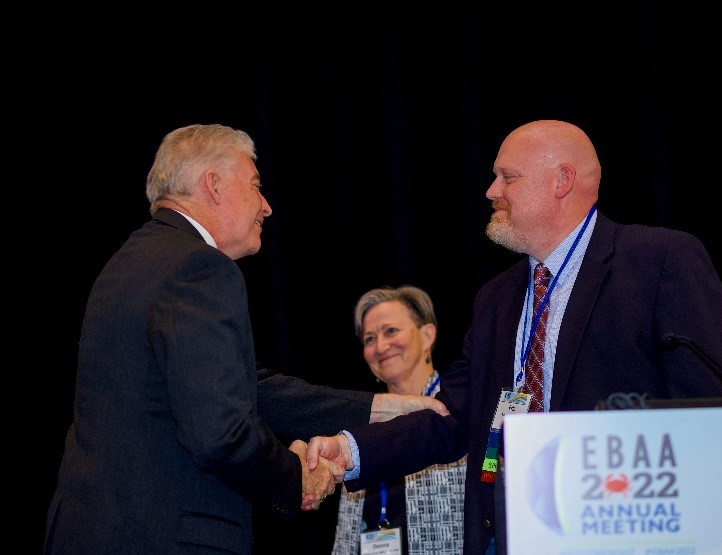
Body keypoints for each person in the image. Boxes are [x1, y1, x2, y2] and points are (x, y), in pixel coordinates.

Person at [306, 119, 722, 555]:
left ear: (562, 181)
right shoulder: (497, 297)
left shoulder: (658, 261)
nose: (491, 191)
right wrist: (349, 449)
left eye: (507, 177)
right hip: (506, 529)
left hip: (618, 526)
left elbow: (712, 407)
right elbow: (454, 412)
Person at [43, 124, 447, 555]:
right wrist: (297, 478)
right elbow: (220, 433)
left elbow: (245, 388)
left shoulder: (130, 262)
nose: (267, 207)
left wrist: (381, 407)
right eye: (255, 186)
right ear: (213, 186)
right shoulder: (198, 267)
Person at [331, 286, 466, 555]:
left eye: (390, 331)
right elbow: (347, 537)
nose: (380, 346)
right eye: (369, 339)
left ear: (427, 335)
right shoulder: (364, 431)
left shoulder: (462, 411)